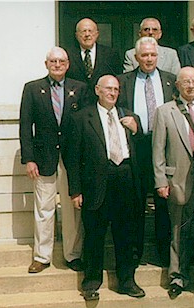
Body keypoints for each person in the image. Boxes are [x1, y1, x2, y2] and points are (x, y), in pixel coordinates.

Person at [67, 75, 145, 301]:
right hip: (96, 183)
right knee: (94, 236)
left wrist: (137, 130)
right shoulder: (82, 118)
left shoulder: (129, 116)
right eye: (108, 89)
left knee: (126, 236)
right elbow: (72, 158)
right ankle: (91, 282)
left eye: (116, 89)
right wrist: (75, 190)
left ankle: (127, 281)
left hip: (125, 179)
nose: (113, 93)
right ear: (97, 90)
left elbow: (144, 151)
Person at [19, 47, 86, 273]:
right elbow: (25, 126)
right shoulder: (32, 88)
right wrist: (29, 159)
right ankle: (41, 256)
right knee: (44, 208)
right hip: (43, 157)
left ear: (68, 64)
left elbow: (86, 125)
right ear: (46, 64)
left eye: (61, 61)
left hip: (72, 158)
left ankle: (73, 254)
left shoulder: (80, 88)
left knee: (71, 207)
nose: (57, 65)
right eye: (53, 61)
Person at [153, 67, 194, 299]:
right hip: (177, 179)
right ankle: (177, 276)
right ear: (177, 85)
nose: (190, 86)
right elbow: (158, 150)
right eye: (185, 82)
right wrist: (161, 180)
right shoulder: (164, 111)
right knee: (178, 229)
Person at [117, 36, 176, 267]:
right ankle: (135, 253)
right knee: (135, 202)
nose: (149, 59)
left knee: (164, 202)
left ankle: (164, 253)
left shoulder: (171, 80)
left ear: (157, 56)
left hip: (165, 147)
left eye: (152, 55)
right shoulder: (124, 81)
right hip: (137, 147)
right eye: (144, 55)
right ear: (136, 57)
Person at [65, 18, 121, 103]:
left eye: (90, 31)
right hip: (76, 104)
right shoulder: (68, 55)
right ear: (76, 35)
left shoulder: (111, 54)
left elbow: (117, 79)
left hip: (102, 105)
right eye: (83, 31)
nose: (87, 34)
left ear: (97, 34)